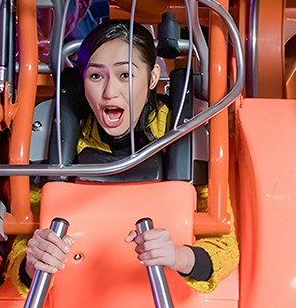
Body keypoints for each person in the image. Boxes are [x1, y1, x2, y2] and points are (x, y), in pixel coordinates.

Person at [15, 20, 238, 290]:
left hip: (170, 302)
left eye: (125, 75)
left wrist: (179, 256)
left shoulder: (187, 134)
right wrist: (31, 263)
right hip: (77, 298)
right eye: (96, 76)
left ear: (153, 77)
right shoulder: (55, 138)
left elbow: (226, 248)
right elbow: (20, 244)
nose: (110, 93)